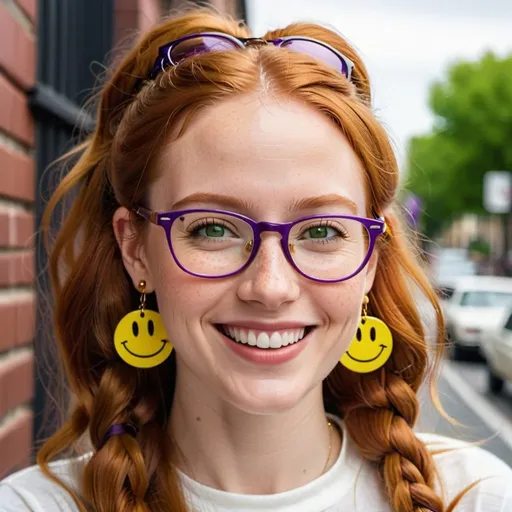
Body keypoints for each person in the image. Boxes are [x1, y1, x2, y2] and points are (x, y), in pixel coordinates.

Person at [1, 8, 511, 512]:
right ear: (136, 249)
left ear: (372, 255)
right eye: (213, 229)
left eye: (322, 231)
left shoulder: (479, 497)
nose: (270, 287)